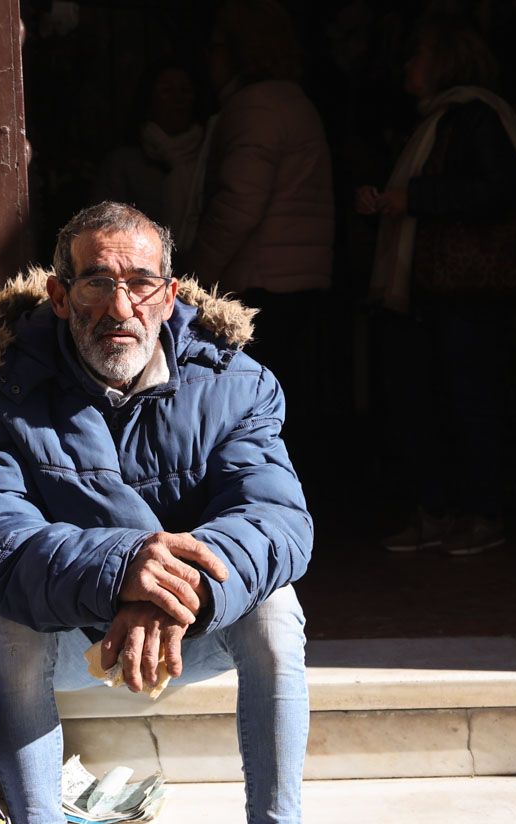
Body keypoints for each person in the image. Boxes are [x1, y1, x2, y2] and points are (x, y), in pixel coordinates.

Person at [0, 201, 314, 824]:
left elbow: (277, 519)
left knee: (276, 608)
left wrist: (165, 591)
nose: (120, 307)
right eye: (96, 283)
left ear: (169, 296)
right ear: (58, 295)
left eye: (140, 283)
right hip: (72, 632)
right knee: (3, 624)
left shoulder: (234, 382)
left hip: (186, 628)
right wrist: (119, 568)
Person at [361, 17, 516, 556]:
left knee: (469, 399)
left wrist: (414, 198)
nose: (408, 66)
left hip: (466, 290)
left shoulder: (477, 116)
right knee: (424, 398)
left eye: (418, 55)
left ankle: (482, 513)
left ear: (445, 61)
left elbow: (495, 191)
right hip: (428, 291)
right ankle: (434, 511)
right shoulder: (432, 122)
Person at [189, 0, 334, 481]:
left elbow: (239, 203)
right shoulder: (292, 100)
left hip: (261, 280)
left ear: (239, 50)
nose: (208, 57)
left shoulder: (257, 106)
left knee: (257, 409)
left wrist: (196, 279)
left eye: (216, 46)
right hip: (295, 275)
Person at [88, 64, 208, 253]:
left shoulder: (208, 157)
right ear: (150, 99)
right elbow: (102, 229)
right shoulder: (123, 163)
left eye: (185, 90)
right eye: (166, 90)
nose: (178, 99)